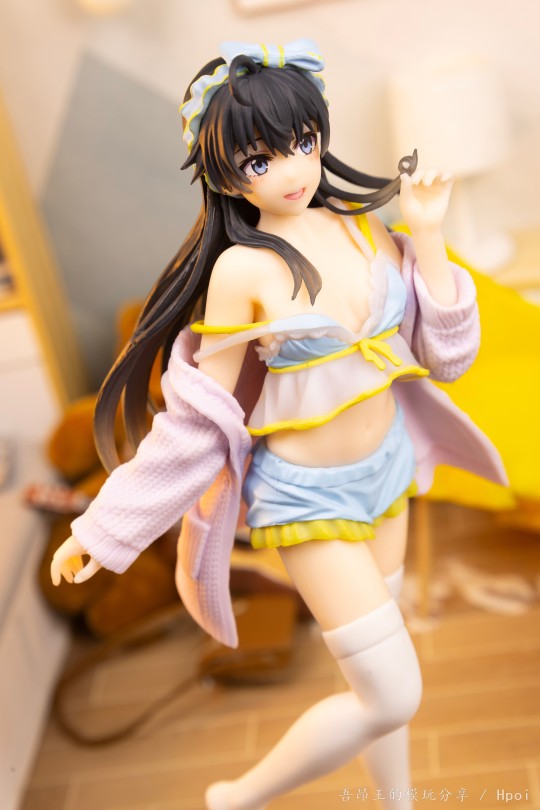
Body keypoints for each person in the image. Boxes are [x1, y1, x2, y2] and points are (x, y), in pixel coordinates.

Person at [50, 39, 507, 810]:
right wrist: (103, 529)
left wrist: (427, 237)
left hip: (387, 472)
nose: (293, 170)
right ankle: (240, 795)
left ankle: (395, 803)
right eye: (261, 160)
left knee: (378, 679)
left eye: (302, 142)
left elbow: (448, 358)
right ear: (225, 174)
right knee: (393, 693)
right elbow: (198, 422)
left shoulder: (361, 227)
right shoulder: (243, 271)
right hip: (308, 499)